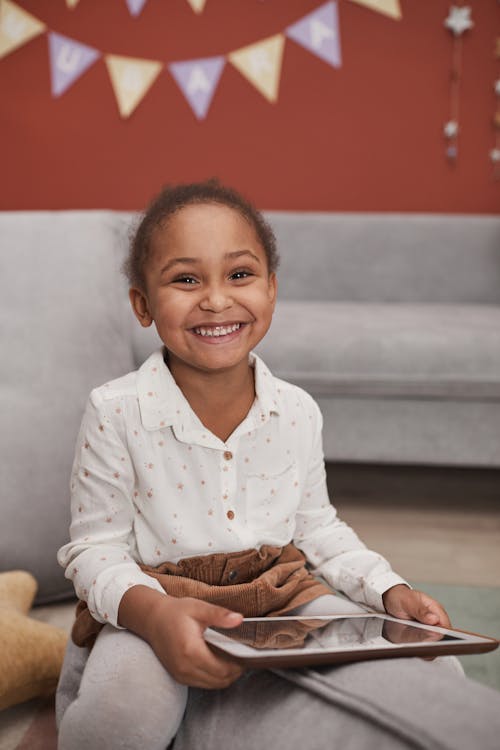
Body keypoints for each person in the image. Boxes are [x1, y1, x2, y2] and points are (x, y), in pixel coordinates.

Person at [56, 179, 500, 750]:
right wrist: (152, 617)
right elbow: (94, 550)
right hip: (156, 598)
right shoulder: (114, 410)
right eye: (186, 279)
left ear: (271, 288)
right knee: (123, 716)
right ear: (143, 304)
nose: (216, 300)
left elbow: (317, 529)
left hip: (282, 591)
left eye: (239, 275)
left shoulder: (296, 410)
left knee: (433, 669)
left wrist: (389, 591)